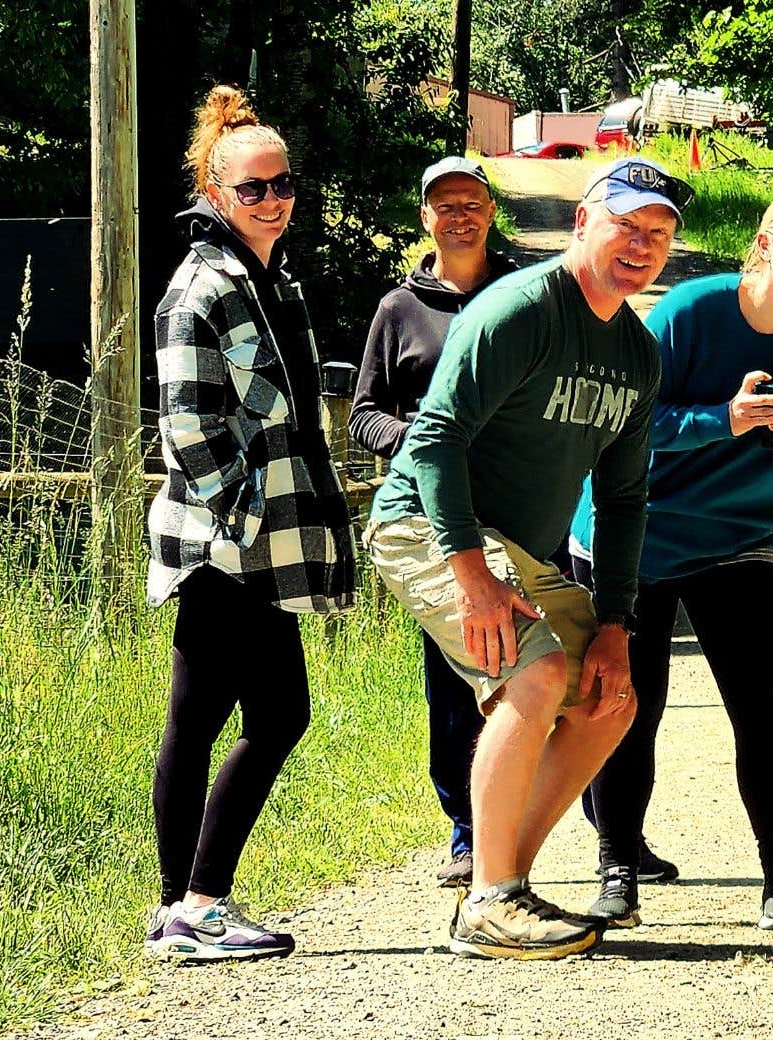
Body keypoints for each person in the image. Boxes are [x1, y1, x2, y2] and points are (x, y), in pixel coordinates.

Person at [364, 157, 690, 960]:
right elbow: (435, 438)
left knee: (610, 695)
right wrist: (471, 576)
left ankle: (509, 884)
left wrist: (614, 623)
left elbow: (622, 502)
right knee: (536, 672)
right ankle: (489, 896)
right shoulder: (520, 309)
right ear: (583, 223)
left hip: (520, 547)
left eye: (657, 234)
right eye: (626, 224)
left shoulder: (637, 357)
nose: (639, 244)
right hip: (427, 525)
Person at [570, 183, 773, 932]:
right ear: (764, 244)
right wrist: (722, 418)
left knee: (760, 709)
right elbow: (623, 425)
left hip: (741, 538)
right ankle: (616, 871)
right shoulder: (689, 313)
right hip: (631, 530)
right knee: (625, 709)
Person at [144, 85, 356, 960]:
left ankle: (181, 908)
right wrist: (238, 518)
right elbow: (186, 429)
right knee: (268, 715)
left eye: (284, 185)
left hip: (259, 537)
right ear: (215, 191)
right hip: (226, 542)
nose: (274, 201)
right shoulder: (201, 285)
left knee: (209, 719)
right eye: (254, 189)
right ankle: (193, 904)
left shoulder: (271, 279)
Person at [350, 156, 521, 888]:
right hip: (430, 522)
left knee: (543, 664)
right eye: (444, 204)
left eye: (472, 202)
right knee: (454, 681)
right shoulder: (398, 309)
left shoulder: (523, 295)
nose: (459, 215)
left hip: (516, 507)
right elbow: (362, 414)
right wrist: (417, 445)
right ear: (425, 217)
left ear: (489, 212)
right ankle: (466, 833)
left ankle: (605, 830)